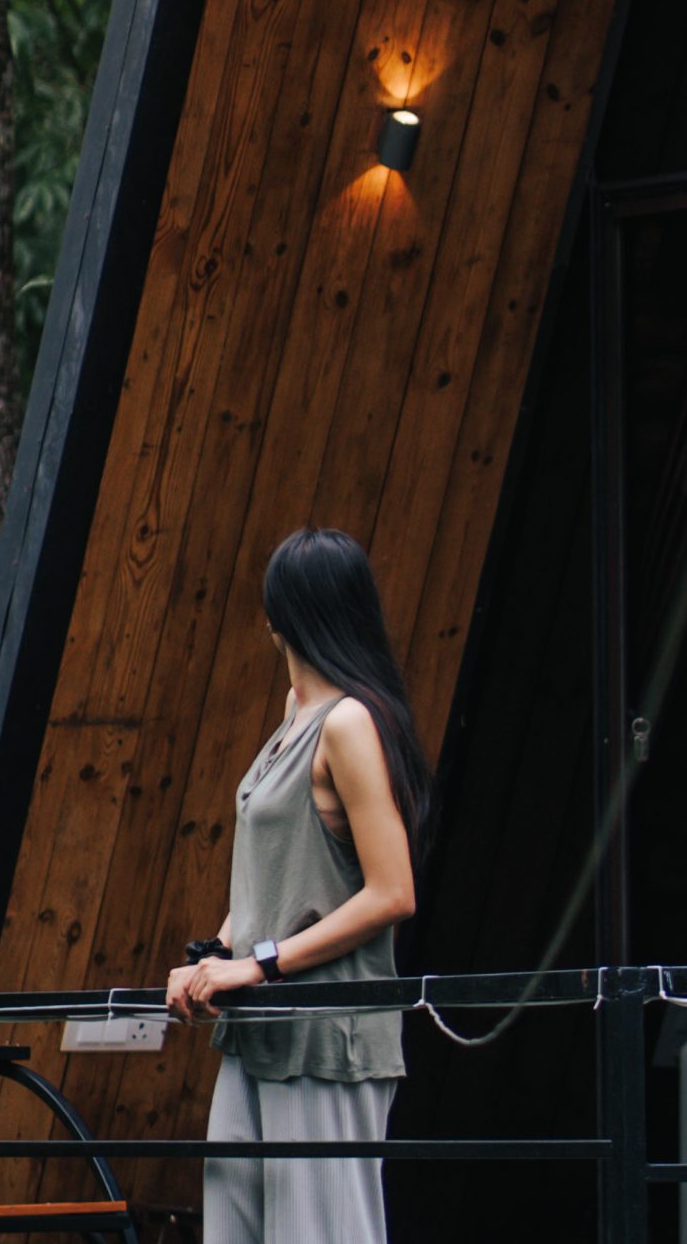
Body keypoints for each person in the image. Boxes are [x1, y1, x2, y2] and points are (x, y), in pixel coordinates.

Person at [167, 528, 429, 1244]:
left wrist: (259, 963)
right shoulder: (295, 714)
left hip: (325, 1035)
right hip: (258, 1030)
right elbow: (276, 870)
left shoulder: (348, 723)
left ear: (277, 618)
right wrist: (211, 956)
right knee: (234, 1229)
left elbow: (393, 893)